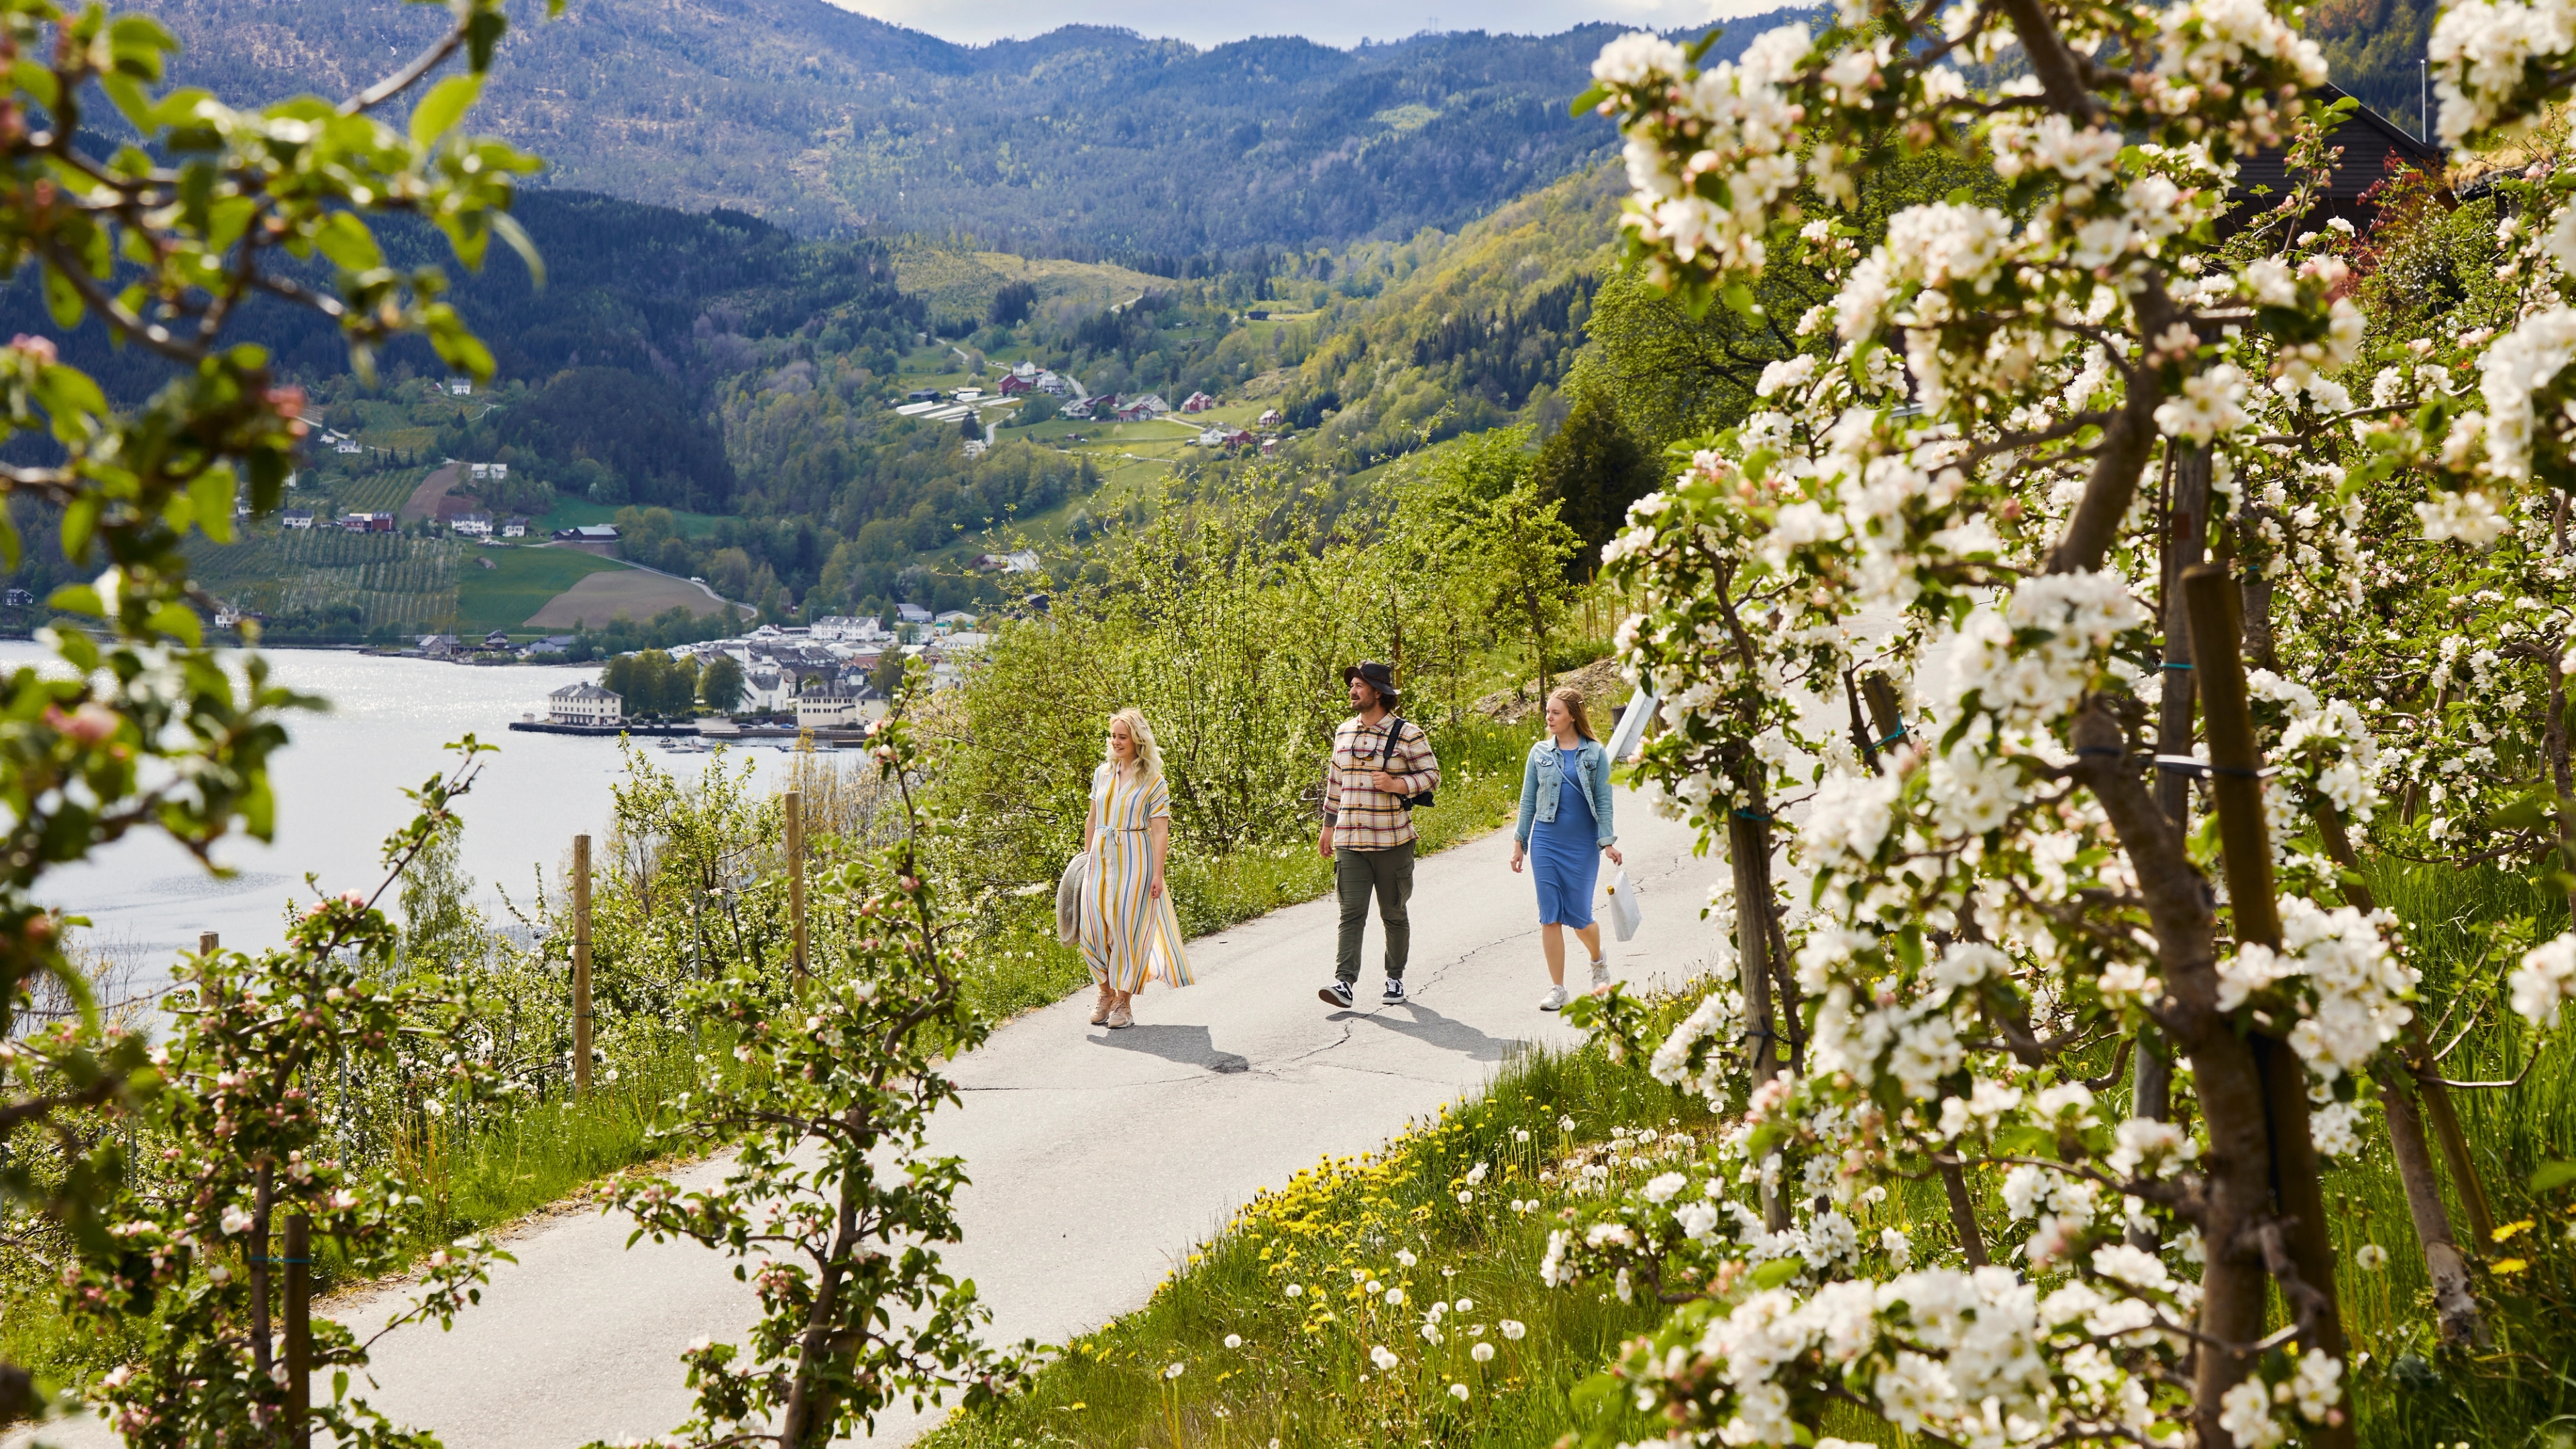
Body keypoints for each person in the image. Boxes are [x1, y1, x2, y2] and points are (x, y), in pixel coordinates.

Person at [1317, 660, 1440, 1009]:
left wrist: (1398, 784)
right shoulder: (1343, 732)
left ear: (1378, 692)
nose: (1352, 691)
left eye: (1359, 685)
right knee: (1351, 912)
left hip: (1392, 841)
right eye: (1352, 685)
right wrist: (1328, 828)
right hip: (1350, 842)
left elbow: (1432, 775)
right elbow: (1335, 784)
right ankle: (1344, 983)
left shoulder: (1408, 734)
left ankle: (1395, 979)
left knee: (1394, 913)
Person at [1511, 685, 1623, 1012]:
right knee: (1550, 916)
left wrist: (1608, 842)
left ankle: (1597, 961)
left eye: (1555, 712)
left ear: (1572, 716)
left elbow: (1604, 801)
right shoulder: (1539, 753)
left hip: (1581, 844)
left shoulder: (1595, 753)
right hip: (1546, 840)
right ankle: (1558, 988)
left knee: (1579, 917)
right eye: (1547, 711)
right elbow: (1528, 800)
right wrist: (1520, 842)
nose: (1549, 717)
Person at [1081, 708, 1193, 1028]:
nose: (1116, 742)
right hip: (1100, 858)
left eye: (1122, 736)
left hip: (1136, 857)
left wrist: (1158, 874)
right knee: (1092, 929)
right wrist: (1086, 858)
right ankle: (1104, 992)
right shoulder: (1102, 773)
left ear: (1137, 741)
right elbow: (1092, 818)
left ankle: (1122, 1003)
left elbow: (1160, 830)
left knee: (1127, 932)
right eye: (1113, 736)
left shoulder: (1154, 781)